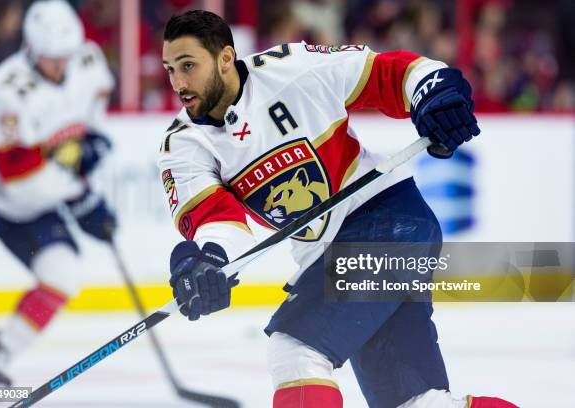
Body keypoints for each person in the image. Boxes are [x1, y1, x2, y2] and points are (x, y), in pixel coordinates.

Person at [158, 10, 517, 408]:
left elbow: (387, 73)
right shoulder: (183, 146)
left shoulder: (291, 69)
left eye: (188, 66)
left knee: (296, 351)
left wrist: (431, 90)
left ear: (225, 58)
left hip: (388, 222)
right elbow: (218, 221)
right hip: (351, 250)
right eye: (171, 69)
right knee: (417, 403)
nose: (179, 82)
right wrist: (209, 262)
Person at [0, 0, 116, 386]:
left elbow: (89, 122)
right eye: (51, 58)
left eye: (65, 55)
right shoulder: (6, 89)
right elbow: (16, 178)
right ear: (30, 48)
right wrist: (81, 199)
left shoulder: (88, 62)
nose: (61, 65)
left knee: (62, 274)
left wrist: (93, 144)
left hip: (38, 202)